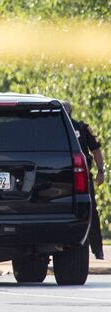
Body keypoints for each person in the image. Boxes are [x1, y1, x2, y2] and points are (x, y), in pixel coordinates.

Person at [62, 101, 105, 260]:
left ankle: (98, 249)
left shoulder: (80, 128)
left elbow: (96, 150)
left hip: (82, 177)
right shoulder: (52, 128)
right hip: (62, 178)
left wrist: (101, 171)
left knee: (91, 212)